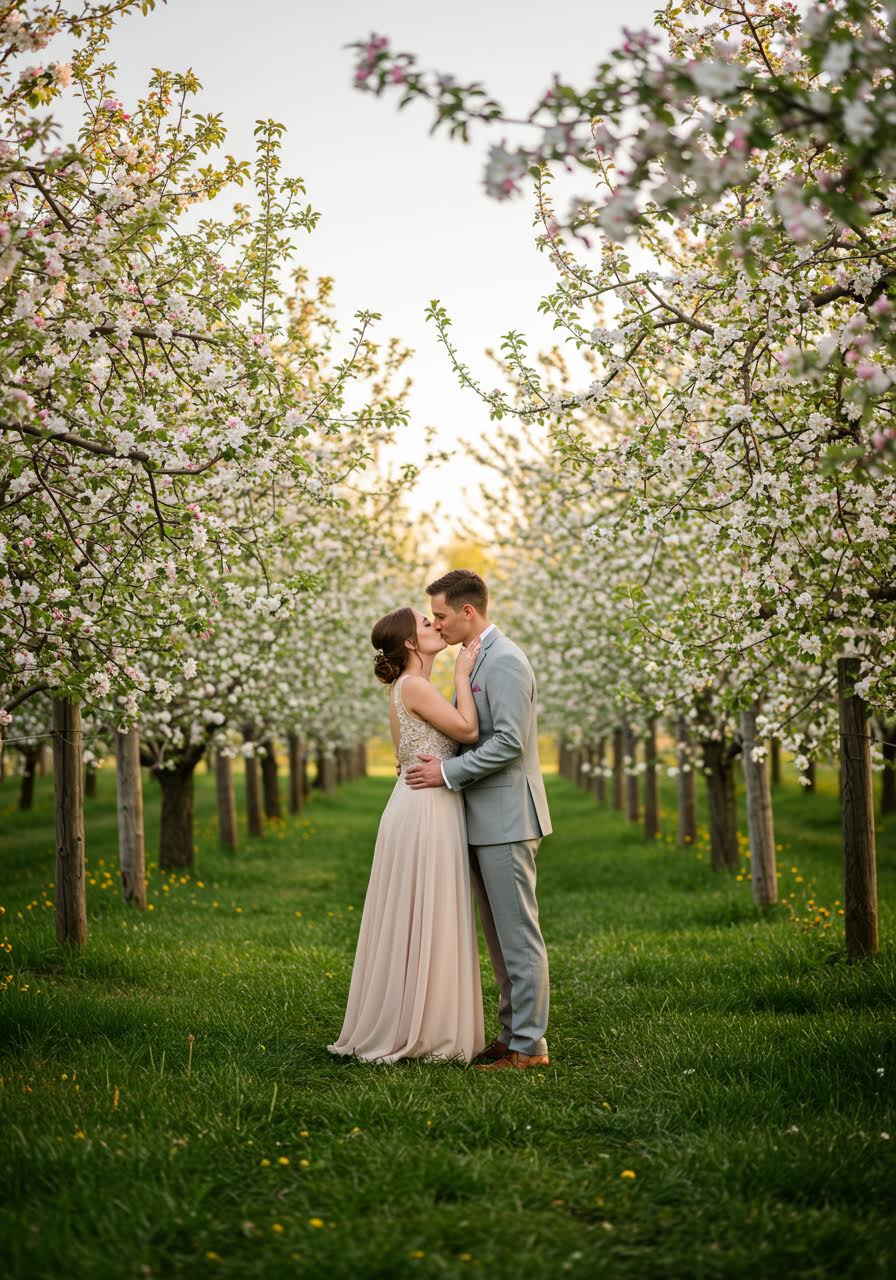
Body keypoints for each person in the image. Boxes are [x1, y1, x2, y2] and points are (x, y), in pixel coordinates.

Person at [405, 570, 552, 1071]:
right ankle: (512, 1036)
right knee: (498, 939)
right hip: (482, 817)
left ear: (469, 612)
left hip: (507, 817)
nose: (438, 625)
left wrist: (446, 772)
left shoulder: (505, 659)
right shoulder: (476, 658)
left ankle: (529, 1046)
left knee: (518, 937)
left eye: (442, 615)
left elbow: (509, 742)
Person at [328, 606, 486, 1064]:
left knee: (420, 912)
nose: (437, 625)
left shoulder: (407, 688)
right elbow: (469, 730)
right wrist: (462, 675)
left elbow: (408, 754)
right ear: (411, 644)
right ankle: (421, 1029)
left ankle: (417, 1019)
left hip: (414, 803)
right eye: (425, 623)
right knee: (428, 909)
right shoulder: (416, 686)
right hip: (425, 809)